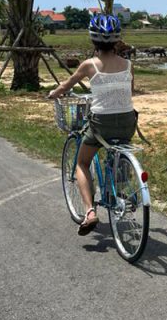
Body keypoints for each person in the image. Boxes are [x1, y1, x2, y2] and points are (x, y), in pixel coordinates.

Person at [48, 14, 137, 236]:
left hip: (101, 125)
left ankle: (89, 212)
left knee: (82, 162)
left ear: (93, 40)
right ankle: (121, 188)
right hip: (127, 122)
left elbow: (66, 85)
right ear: (117, 41)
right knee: (119, 150)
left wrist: (53, 93)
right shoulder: (128, 64)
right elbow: (130, 91)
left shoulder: (89, 65)